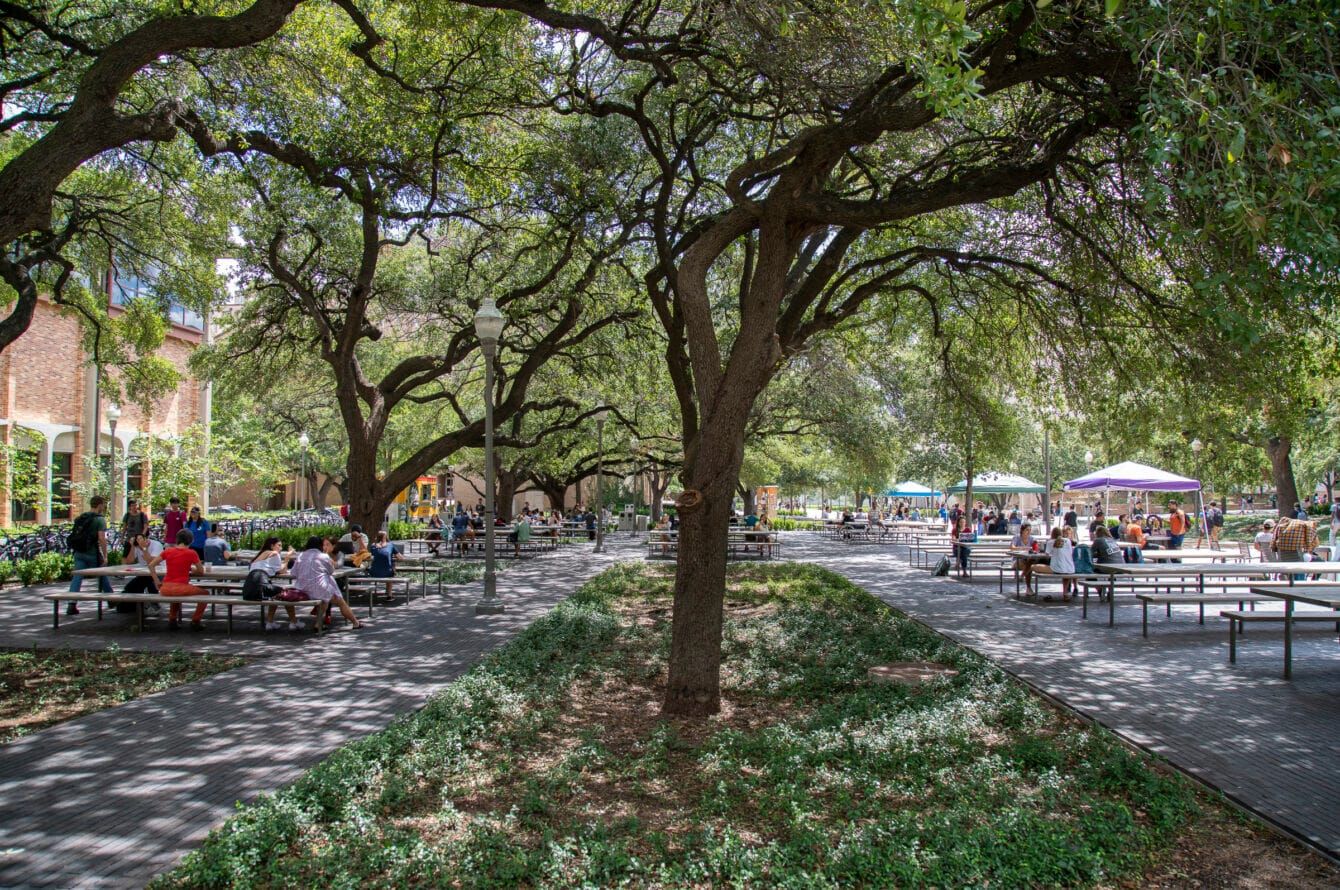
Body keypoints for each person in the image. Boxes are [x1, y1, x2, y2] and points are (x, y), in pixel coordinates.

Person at [289, 535, 362, 631]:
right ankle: (355, 623)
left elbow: (293, 573)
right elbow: (331, 571)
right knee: (340, 601)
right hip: (320, 588)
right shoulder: (323, 556)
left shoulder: (301, 556)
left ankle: (318, 624)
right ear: (320, 545)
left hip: (302, 589)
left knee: (324, 600)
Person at [148, 529, 208, 631]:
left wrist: (157, 581)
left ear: (177, 540)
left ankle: (172, 619)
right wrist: (192, 570)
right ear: (191, 541)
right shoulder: (191, 553)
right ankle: (196, 621)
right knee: (205, 594)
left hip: (165, 588)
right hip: (181, 587)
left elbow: (151, 565)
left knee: (175, 595)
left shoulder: (168, 551)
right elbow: (201, 571)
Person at [65, 495, 112, 615]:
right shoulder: (100, 520)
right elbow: (102, 538)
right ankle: (112, 599)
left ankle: (72, 604)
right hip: (92, 553)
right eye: (103, 505)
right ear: (100, 505)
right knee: (102, 574)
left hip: (79, 552)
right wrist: (105, 555)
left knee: (77, 577)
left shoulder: (81, 517)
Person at [1034, 526, 1075, 602]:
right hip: (1070, 568)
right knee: (1065, 573)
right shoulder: (1068, 541)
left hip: (1056, 568)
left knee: (1033, 567)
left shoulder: (1051, 542)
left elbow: (1046, 555)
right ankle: (1065, 593)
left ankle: (1029, 588)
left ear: (1052, 534)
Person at [1271, 515, 1319, 580]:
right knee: (1320, 561)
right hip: (1298, 562)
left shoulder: (1281, 532)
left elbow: (1273, 546)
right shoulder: (1305, 529)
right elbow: (1313, 545)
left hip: (1283, 561)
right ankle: (1314, 580)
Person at [368, 530, 402, 598]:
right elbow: (400, 558)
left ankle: (385, 592)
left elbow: (373, 555)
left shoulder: (373, 546)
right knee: (390, 569)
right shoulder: (390, 545)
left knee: (382, 565)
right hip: (387, 573)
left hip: (373, 572)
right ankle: (389, 594)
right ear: (386, 537)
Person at [1011, 522, 1037, 593]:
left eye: (1030, 530)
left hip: (1027, 560)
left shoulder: (1031, 538)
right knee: (1028, 566)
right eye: (1027, 530)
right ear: (1022, 530)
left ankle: (1022, 576)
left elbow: (1035, 548)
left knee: (1029, 564)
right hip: (1017, 560)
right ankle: (1028, 588)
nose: (1029, 532)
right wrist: (1023, 548)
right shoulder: (1017, 537)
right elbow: (1012, 547)